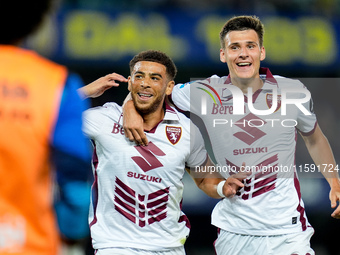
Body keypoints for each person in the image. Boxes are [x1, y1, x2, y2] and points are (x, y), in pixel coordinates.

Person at [115, 16, 340, 254]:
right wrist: (129, 107)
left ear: (261, 52)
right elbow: (148, 91)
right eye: (235, 47)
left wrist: (334, 182)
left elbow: (314, 137)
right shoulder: (206, 92)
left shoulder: (292, 91)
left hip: (287, 231)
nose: (243, 53)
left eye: (250, 46)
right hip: (234, 232)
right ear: (223, 54)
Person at [78, 50, 249, 255]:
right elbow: (47, 117)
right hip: (115, 246)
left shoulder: (186, 130)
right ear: (130, 82)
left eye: (155, 78)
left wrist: (223, 187)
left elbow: (205, 180)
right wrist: (86, 91)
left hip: (169, 247)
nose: (145, 83)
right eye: (139, 76)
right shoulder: (105, 119)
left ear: (169, 87)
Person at [0, 1, 92, 254]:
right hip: (25, 244)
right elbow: (75, 184)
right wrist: (71, 236)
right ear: (37, 21)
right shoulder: (58, 85)